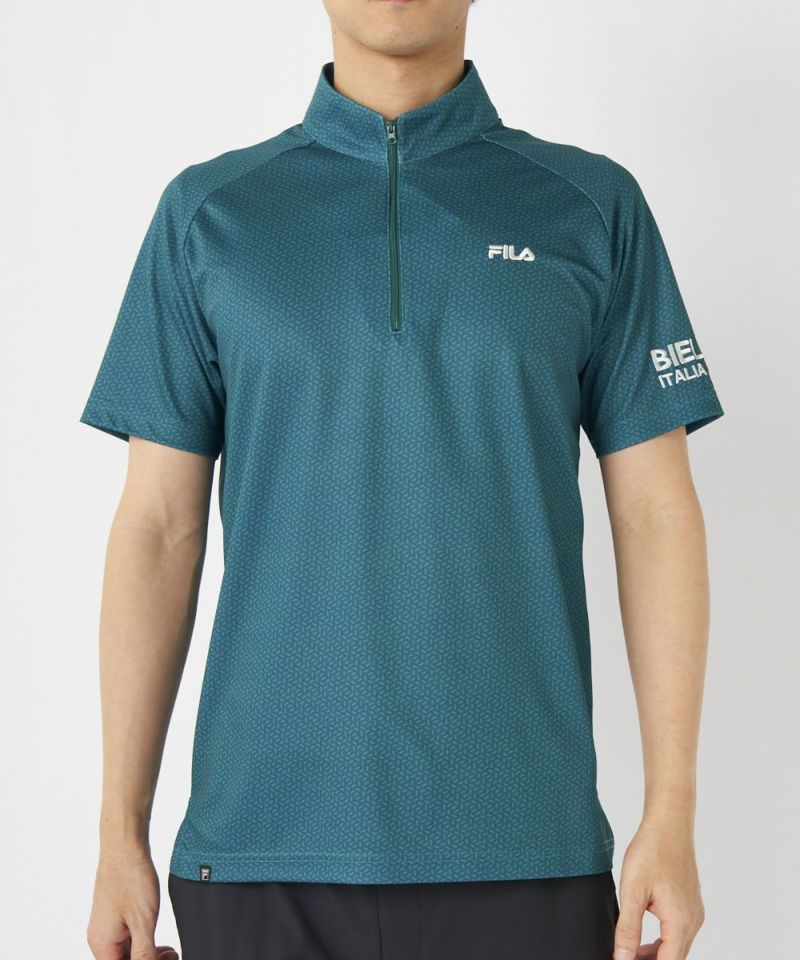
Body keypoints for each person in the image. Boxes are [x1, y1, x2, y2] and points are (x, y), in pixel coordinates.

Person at [81, 1, 724, 958]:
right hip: (259, 849)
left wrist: (671, 812)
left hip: (525, 845)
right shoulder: (208, 214)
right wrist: (117, 834)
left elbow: (658, 513)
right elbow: (157, 528)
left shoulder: (591, 204)